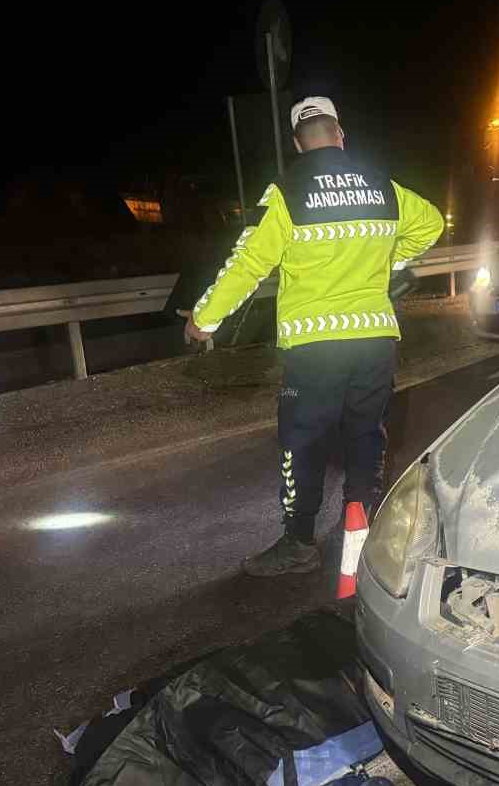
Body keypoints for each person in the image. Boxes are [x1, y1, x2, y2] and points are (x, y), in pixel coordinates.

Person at [185, 96, 444, 576]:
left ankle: (299, 543)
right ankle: (362, 543)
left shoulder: (287, 192)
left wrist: (206, 317)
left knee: (302, 443)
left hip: (314, 348)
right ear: (340, 134)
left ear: (298, 143)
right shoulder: (381, 186)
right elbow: (432, 222)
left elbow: (248, 262)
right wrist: (392, 261)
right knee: (367, 438)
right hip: (374, 342)